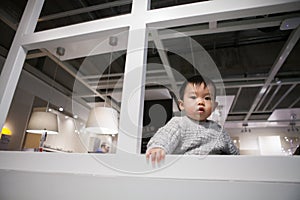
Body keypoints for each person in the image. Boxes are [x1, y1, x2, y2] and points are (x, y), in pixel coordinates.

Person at [146, 75, 239, 163]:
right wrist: (158, 147)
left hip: (216, 171)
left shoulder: (220, 131)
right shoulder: (179, 123)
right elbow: (164, 136)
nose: (200, 102)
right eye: (193, 97)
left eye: (207, 98)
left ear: (214, 106)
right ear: (182, 105)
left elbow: (236, 155)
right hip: (188, 169)